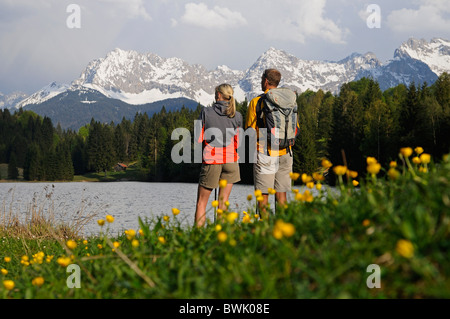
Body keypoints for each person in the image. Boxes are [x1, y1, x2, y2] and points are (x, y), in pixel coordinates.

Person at [245, 69, 299, 218]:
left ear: (266, 81)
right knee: (282, 197)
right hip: (286, 152)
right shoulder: (290, 100)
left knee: (263, 197)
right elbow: (296, 128)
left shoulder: (257, 102)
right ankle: (281, 232)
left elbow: (249, 130)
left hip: (265, 152)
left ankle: (265, 233)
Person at [194, 83, 243, 227]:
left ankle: (197, 238)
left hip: (212, 160)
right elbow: (237, 142)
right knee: (223, 202)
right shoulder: (237, 115)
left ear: (219, 95)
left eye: (216, 93)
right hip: (231, 162)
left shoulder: (206, 112)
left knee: (201, 203)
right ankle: (221, 237)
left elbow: (198, 137)